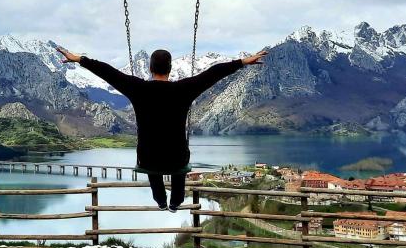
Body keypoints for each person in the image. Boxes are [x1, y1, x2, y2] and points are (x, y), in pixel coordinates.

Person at [57, 47, 268, 212]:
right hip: (177, 157)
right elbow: (213, 74)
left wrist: (80, 59)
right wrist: (242, 62)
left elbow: (108, 73)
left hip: (149, 158)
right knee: (179, 169)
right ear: (170, 69)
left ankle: (160, 202)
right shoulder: (184, 89)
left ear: (150, 68)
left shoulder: (138, 88)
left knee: (152, 169)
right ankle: (175, 203)